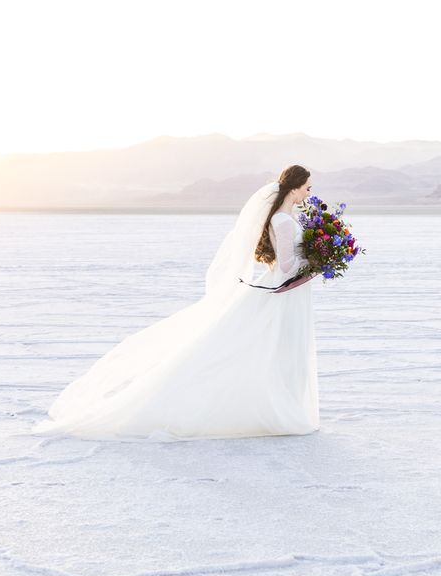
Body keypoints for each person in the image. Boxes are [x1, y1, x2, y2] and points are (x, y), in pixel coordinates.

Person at [31, 165, 320, 440]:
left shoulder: (288, 218)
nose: (309, 193)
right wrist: (317, 260)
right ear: (294, 189)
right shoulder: (282, 221)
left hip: (290, 293)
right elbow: (285, 266)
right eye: (307, 188)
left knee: (282, 349)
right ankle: (276, 411)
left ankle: (284, 408)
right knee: (271, 348)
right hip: (283, 293)